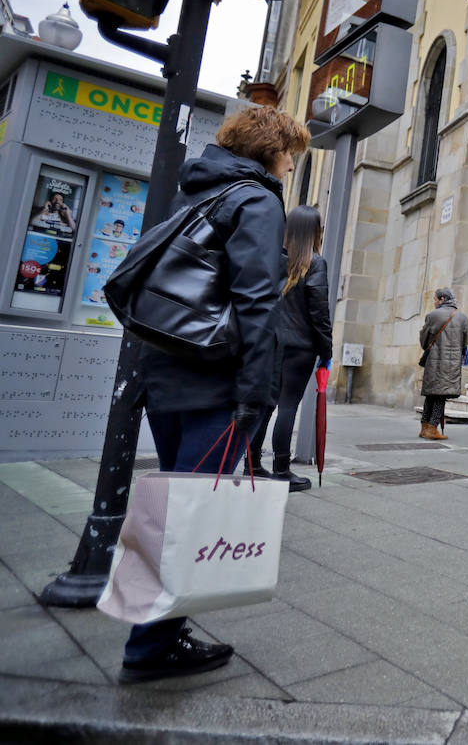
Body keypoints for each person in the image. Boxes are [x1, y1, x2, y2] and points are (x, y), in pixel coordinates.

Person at [120, 105, 310, 684]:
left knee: (174, 503)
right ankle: (151, 645)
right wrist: (255, 392)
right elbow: (256, 300)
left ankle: (158, 628)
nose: (290, 165)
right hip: (213, 380)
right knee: (190, 515)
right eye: (290, 155)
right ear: (273, 152)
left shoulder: (197, 191)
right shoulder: (256, 199)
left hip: (166, 374)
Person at [245, 205, 332, 492]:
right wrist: (326, 349)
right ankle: (282, 470)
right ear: (314, 232)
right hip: (300, 346)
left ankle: (252, 465)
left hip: (271, 342)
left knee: (265, 405)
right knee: (288, 405)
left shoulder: (274, 260)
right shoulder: (315, 262)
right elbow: (319, 311)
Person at [419, 287, 468, 439]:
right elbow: (465, 341)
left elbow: (424, 339)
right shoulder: (462, 317)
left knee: (431, 395)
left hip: (434, 360)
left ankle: (426, 427)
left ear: (442, 299)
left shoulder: (433, 315)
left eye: (435, 299)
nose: (434, 302)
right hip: (452, 363)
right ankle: (432, 429)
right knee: (441, 396)